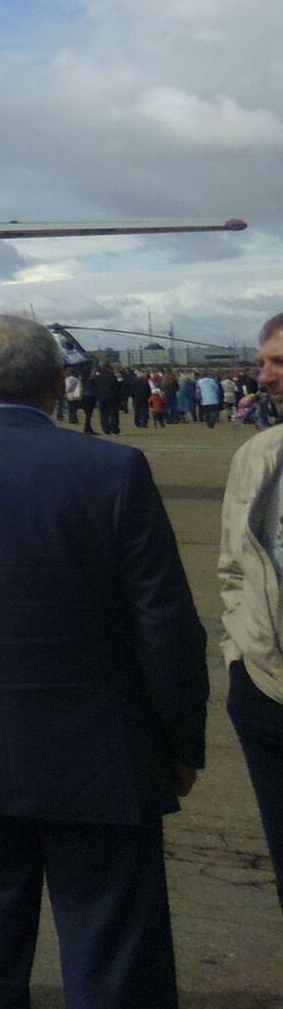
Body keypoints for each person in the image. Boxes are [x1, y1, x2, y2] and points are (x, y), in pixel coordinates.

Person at [0, 316, 208, 1006]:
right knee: (116, 961)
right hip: (104, 757)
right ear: (60, 385)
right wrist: (179, 742)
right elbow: (165, 621)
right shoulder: (112, 469)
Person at [219, 312, 283, 911]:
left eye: (278, 363)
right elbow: (231, 566)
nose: (262, 377)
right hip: (267, 689)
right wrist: (239, 655)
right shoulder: (257, 456)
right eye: (264, 361)